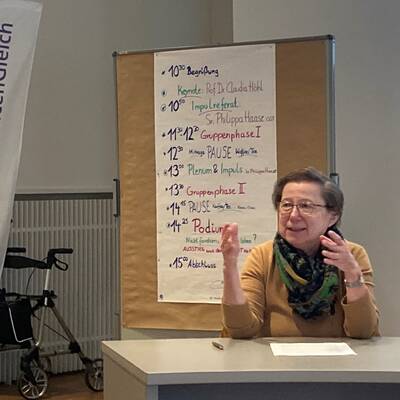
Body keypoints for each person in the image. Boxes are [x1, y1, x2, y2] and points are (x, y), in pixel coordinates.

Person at [220, 167, 379, 339]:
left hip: (339, 357)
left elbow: (363, 331)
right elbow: (241, 330)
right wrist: (229, 266)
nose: (293, 215)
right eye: (286, 205)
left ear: (332, 216)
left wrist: (352, 274)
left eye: (306, 206)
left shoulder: (351, 255)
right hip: (275, 356)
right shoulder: (263, 256)